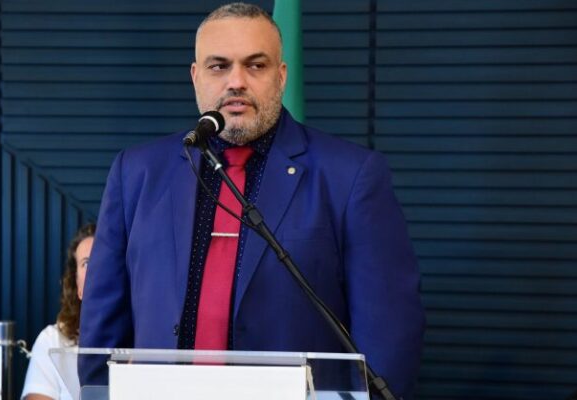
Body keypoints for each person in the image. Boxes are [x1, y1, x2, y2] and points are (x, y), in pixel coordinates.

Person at [80, 2, 425, 398]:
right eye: (218, 66)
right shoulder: (137, 172)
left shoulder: (350, 176)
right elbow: (101, 326)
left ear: (281, 75)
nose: (236, 82)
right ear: (195, 76)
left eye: (255, 65)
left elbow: (388, 332)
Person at [21, 223, 95, 400]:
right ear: (77, 284)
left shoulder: (143, 337)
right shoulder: (53, 340)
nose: (96, 270)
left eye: (104, 260)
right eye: (86, 263)